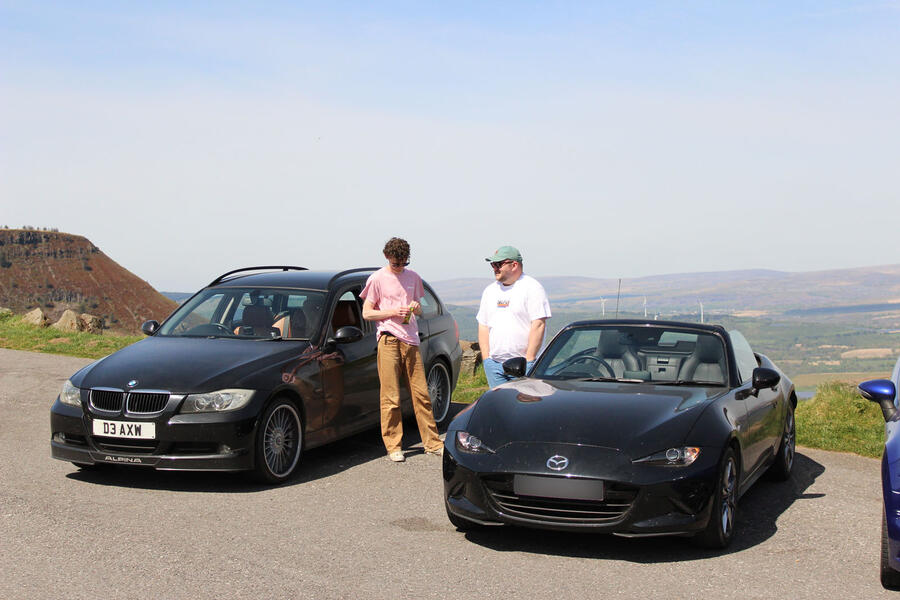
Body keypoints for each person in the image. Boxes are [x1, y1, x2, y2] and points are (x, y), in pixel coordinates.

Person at [361, 237, 443, 463]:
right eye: (396, 263)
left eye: (403, 263)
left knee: (422, 394)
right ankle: (393, 445)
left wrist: (415, 308)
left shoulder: (413, 277)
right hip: (388, 339)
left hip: (411, 340)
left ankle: (433, 443)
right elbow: (367, 313)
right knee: (391, 396)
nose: (400, 267)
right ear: (387, 257)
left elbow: (419, 310)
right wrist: (390, 313)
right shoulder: (377, 278)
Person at [476, 246, 551, 388]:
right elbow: (483, 325)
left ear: (514, 265)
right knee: (500, 407)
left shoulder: (532, 288)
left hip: (524, 365)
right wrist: (487, 359)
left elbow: (538, 324)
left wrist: (529, 360)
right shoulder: (490, 291)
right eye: (493, 265)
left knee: (526, 406)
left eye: (498, 264)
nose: (495, 268)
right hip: (495, 366)